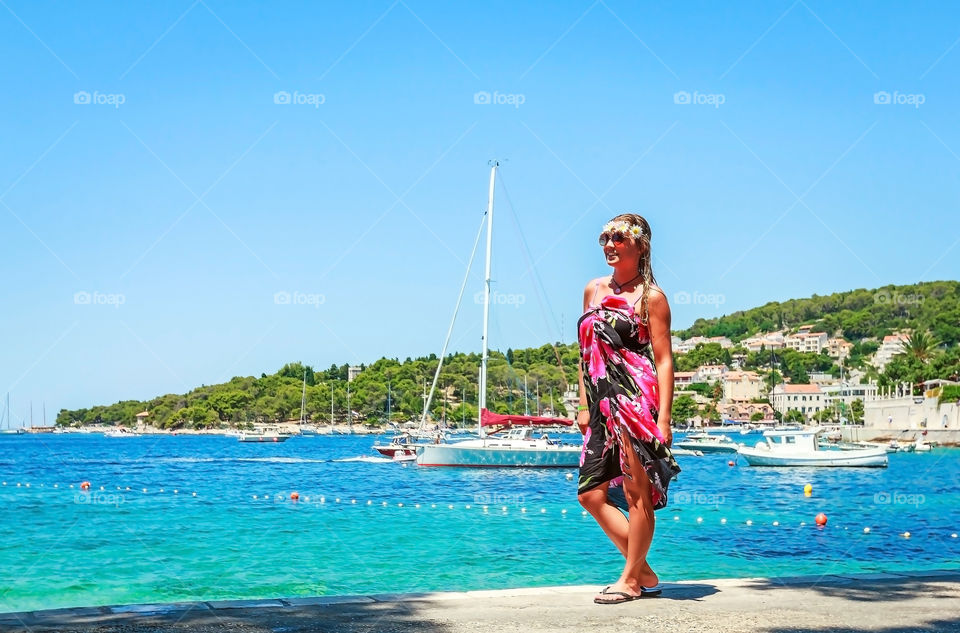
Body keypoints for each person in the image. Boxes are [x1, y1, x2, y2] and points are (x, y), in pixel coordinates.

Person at [576, 213, 681, 605]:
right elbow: (585, 352)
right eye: (604, 236)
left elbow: (664, 359)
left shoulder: (652, 297)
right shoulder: (593, 289)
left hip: (636, 401)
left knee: (638, 494)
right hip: (602, 404)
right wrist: (586, 404)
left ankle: (630, 580)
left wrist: (664, 417)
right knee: (590, 493)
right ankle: (645, 572)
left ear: (640, 246)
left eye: (618, 237)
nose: (609, 244)